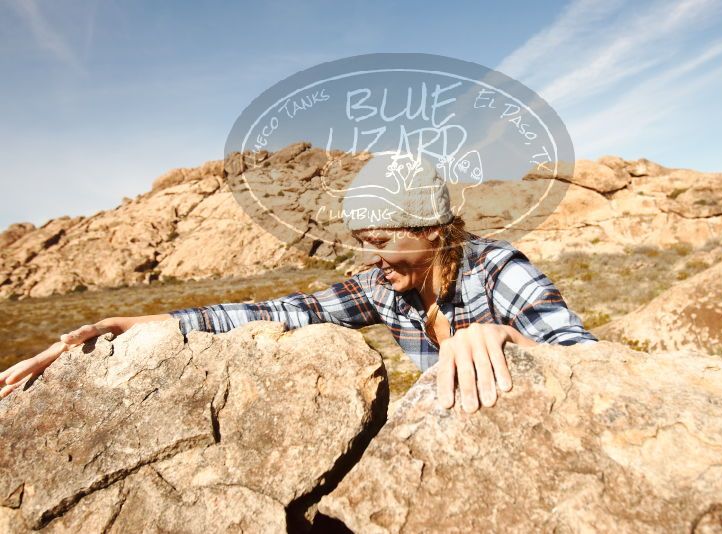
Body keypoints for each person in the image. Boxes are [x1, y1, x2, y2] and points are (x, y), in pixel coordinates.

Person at [0, 152, 598, 412]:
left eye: (384, 242)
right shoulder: (383, 287)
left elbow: (589, 359)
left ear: (434, 229)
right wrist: (143, 323)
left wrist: (509, 339)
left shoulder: (498, 268)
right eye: (363, 244)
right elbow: (284, 312)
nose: (372, 260)